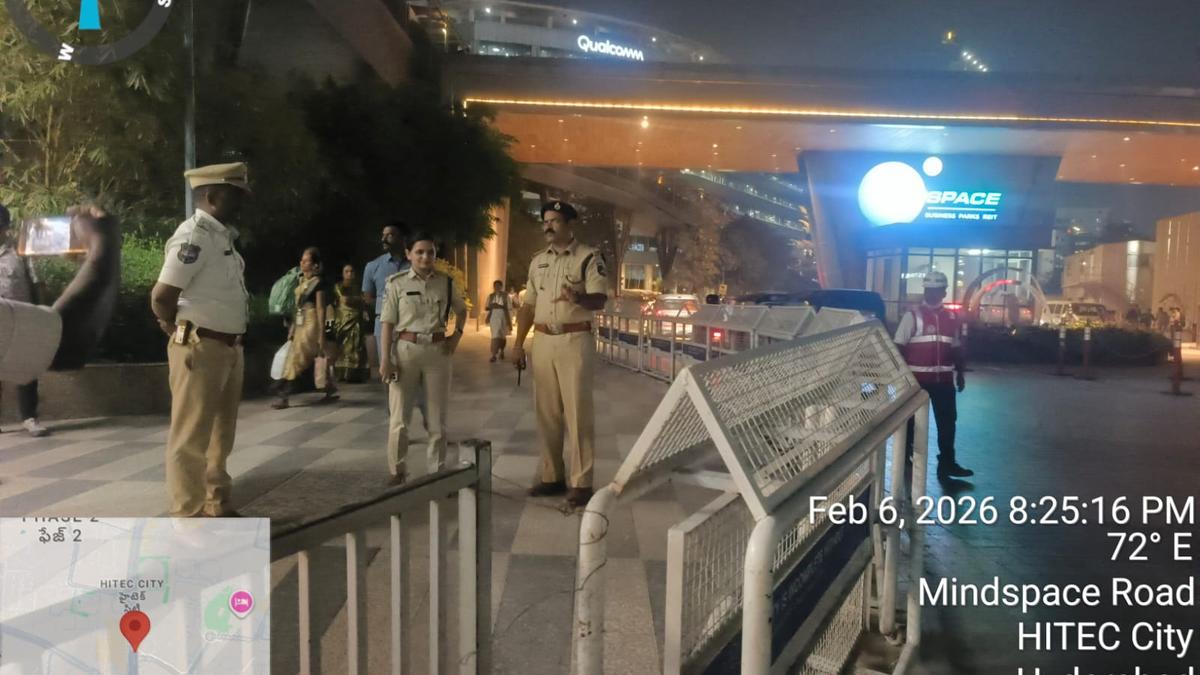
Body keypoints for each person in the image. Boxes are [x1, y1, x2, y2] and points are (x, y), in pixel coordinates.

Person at [150, 162, 251, 518]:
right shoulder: (193, 236)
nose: (242, 202)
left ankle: (216, 502)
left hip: (227, 347)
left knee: (220, 437)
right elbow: (162, 295)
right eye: (235, 195)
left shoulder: (221, 237)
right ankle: (188, 517)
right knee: (190, 439)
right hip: (200, 347)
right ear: (211, 196)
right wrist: (174, 327)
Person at [510, 201, 609, 508]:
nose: (548, 226)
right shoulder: (538, 261)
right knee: (547, 412)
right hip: (542, 340)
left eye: (554, 220)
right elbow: (528, 306)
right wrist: (517, 344)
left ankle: (582, 482)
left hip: (574, 339)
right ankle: (552, 477)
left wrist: (578, 296)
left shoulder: (588, 257)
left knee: (577, 412)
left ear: (569, 225)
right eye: (545, 221)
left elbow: (599, 300)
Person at [379, 233, 467, 485]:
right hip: (405, 350)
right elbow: (387, 323)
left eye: (430, 252)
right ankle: (397, 472)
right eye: (419, 252)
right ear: (408, 254)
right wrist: (386, 359)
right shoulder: (395, 284)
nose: (425, 257)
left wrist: (456, 336)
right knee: (399, 418)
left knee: (438, 419)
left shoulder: (446, 283)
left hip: (438, 352)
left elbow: (462, 310)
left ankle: (436, 473)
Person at [893, 270, 974, 481]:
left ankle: (947, 463)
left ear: (944, 292)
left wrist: (960, 373)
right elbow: (898, 347)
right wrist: (900, 376)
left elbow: (956, 347)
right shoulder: (912, 316)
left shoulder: (951, 317)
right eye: (930, 290)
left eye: (937, 290)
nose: (933, 294)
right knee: (910, 422)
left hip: (944, 381)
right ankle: (904, 459)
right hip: (916, 381)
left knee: (947, 423)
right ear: (925, 291)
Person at [0, 205, 50, 436]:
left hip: (22, 319)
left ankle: (29, 418)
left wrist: (41, 311)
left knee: (26, 369)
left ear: (5, 227)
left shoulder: (20, 251)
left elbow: (37, 282)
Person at [274, 248, 338, 408]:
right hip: (300, 321)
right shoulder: (301, 280)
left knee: (298, 357)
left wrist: (321, 333)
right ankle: (329, 387)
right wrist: (292, 328)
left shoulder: (318, 283)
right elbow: (297, 307)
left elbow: (321, 308)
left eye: (307, 260)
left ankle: (284, 394)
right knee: (307, 356)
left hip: (311, 323)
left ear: (315, 265)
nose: (302, 263)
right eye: (302, 260)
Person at [333, 263, 370, 382]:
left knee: (357, 344)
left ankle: (356, 374)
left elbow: (365, 300)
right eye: (346, 271)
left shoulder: (359, 286)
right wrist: (358, 299)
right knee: (344, 346)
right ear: (343, 273)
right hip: (344, 319)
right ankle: (343, 373)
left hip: (357, 319)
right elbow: (344, 300)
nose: (349, 274)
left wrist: (360, 303)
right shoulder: (338, 286)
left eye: (351, 271)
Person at [485, 280, 512, 362]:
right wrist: (492, 306)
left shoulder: (506, 296)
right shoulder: (490, 296)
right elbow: (486, 307)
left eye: (498, 285)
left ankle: (502, 351)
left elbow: (510, 307)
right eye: (495, 285)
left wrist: (501, 307)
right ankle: (493, 354)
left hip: (503, 317)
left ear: (501, 286)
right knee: (495, 335)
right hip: (494, 318)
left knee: (502, 336)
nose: (497, 287)